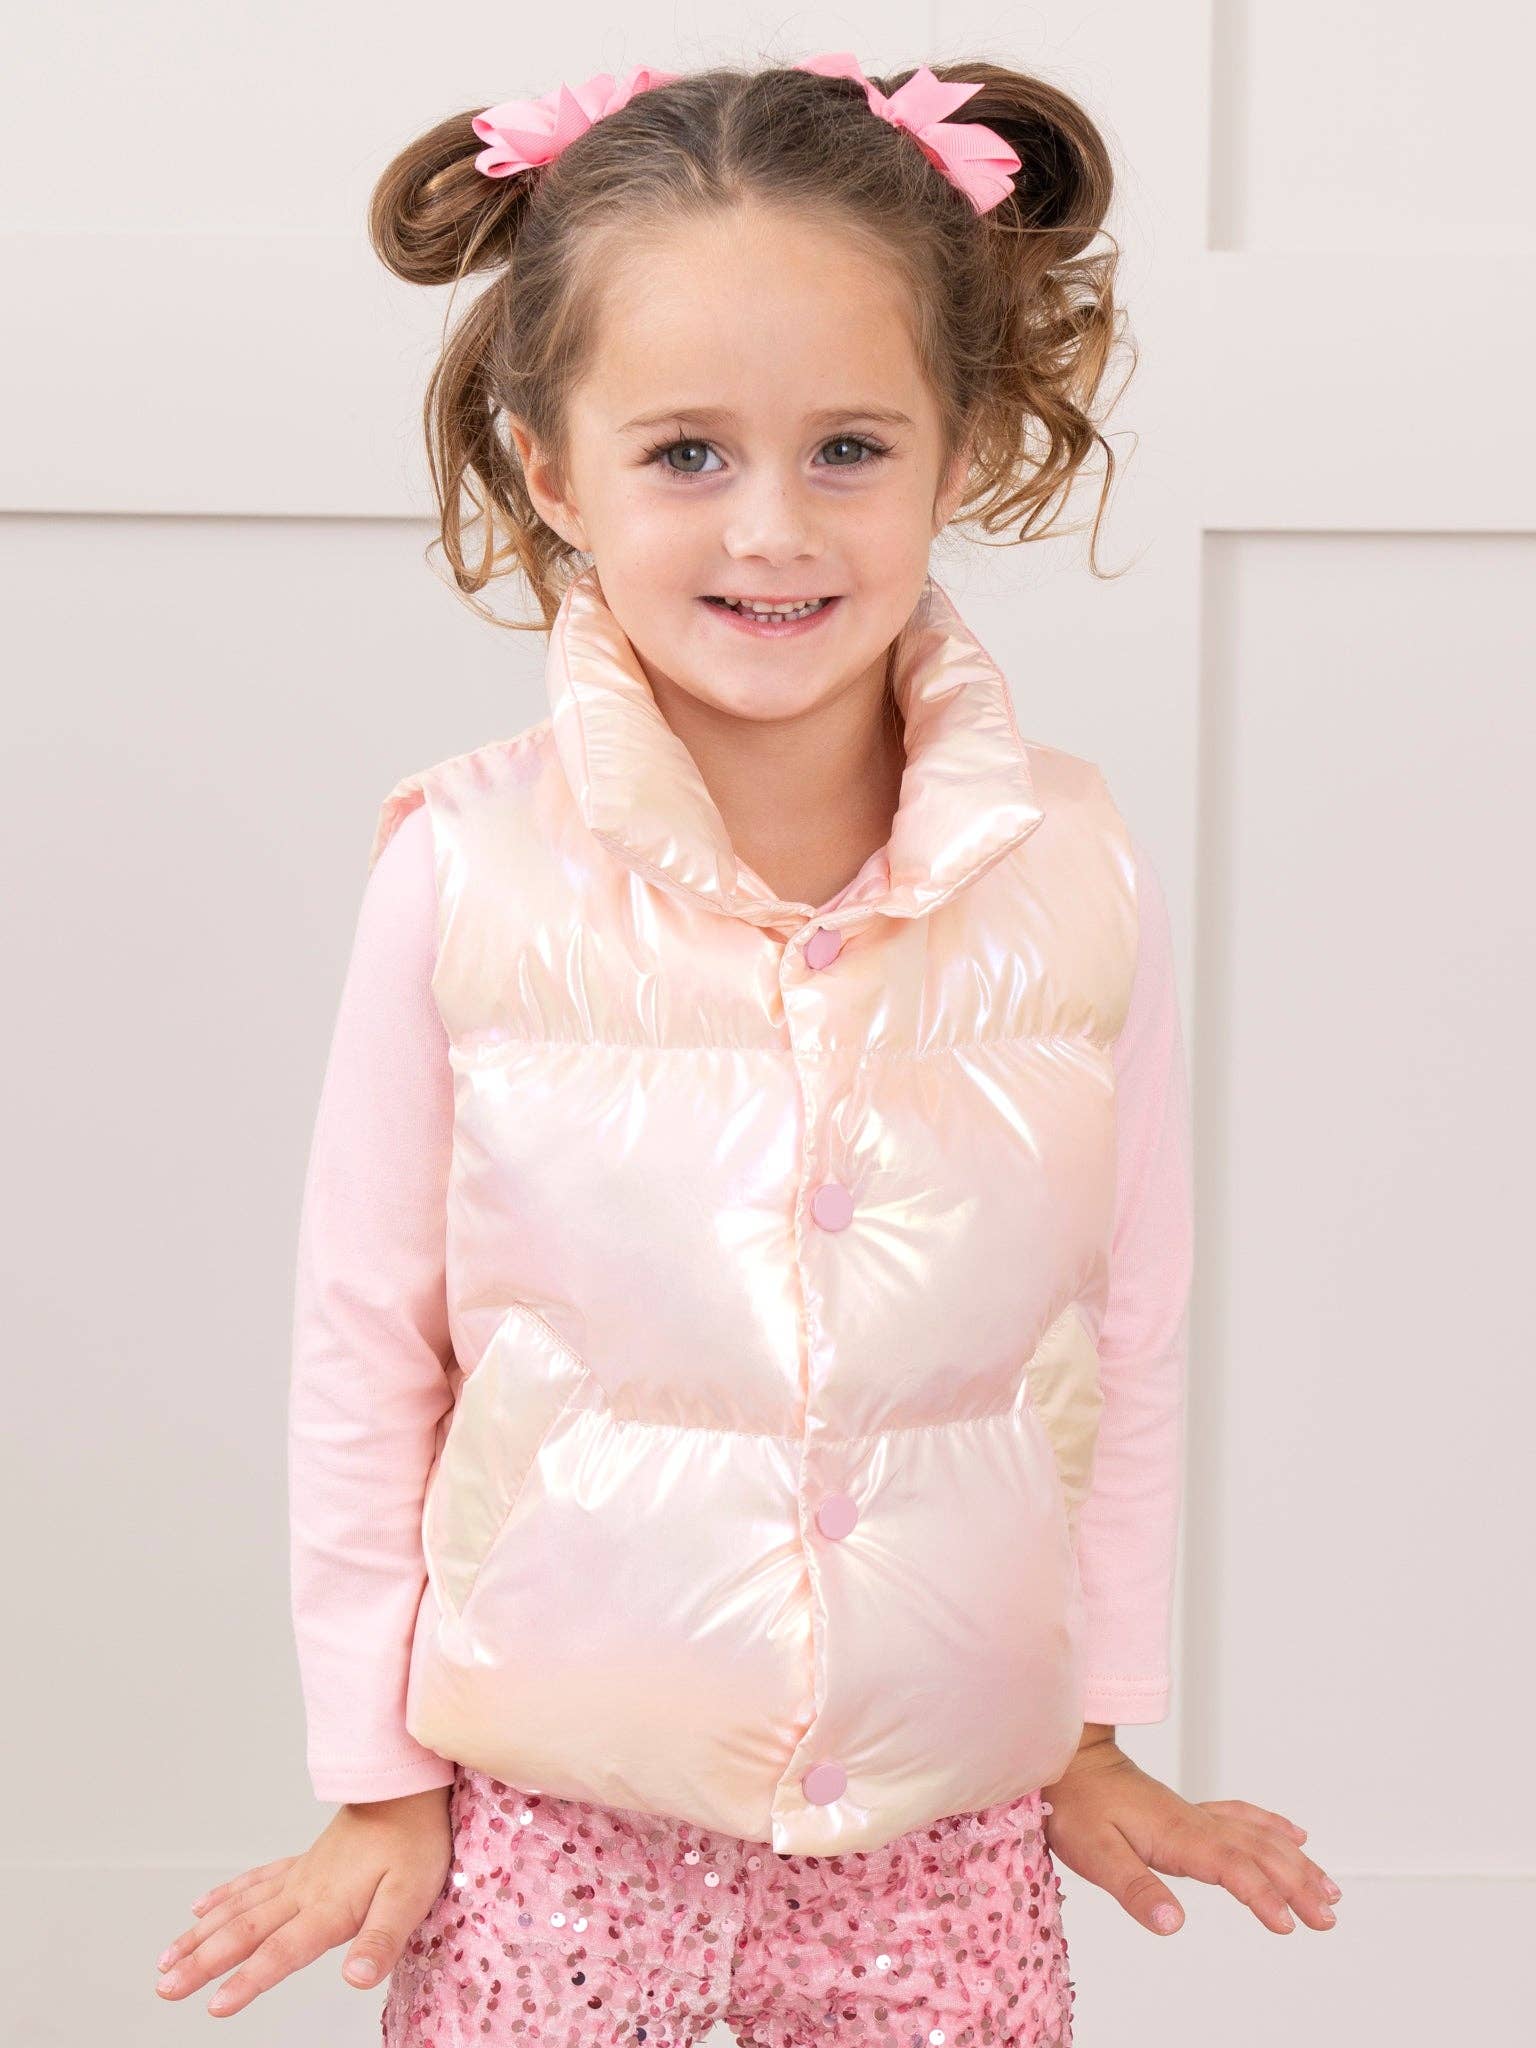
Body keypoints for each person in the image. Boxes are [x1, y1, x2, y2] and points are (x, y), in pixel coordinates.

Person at [152, 51, 1340, 2044]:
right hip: (550, 1827)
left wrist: (1093, 1731)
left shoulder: (1073, 863)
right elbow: (366, 1345)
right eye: (688, 452)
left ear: (962, 449)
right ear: (554, 471)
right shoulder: (462, 871)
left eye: (849, 447)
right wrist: (376, 1775)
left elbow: (1121, 1336)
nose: (773, 527)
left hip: (946, 1832)